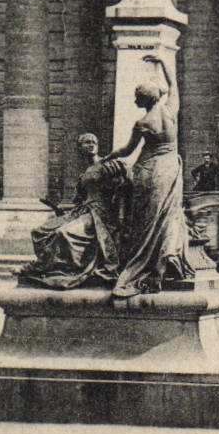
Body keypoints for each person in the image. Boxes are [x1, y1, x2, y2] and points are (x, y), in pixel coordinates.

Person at [106, 54, 193, 298]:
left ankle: (147, 264)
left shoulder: (143, 123)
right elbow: (173, 84)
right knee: (169, 214)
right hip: (171, 169)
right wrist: (163, 62)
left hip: (151, 172)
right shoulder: (170, 111)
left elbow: (127, 150)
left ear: (143, 99)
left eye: (137, 97)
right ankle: (168, 255)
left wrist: (107, 157)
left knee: (148, 221)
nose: (135, 100)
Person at [19, 133, 128, 290]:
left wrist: (121, 216)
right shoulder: (84, 175)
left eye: (94, 142)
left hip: (99, 215)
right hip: (82, 211)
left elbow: (122, 190)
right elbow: (79, 200)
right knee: (40, 231)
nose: (91, 145)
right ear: (79, 148)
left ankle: (66, 271)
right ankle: (42, 266)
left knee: (63, 233)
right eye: (86, 142)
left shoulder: (107, 166)